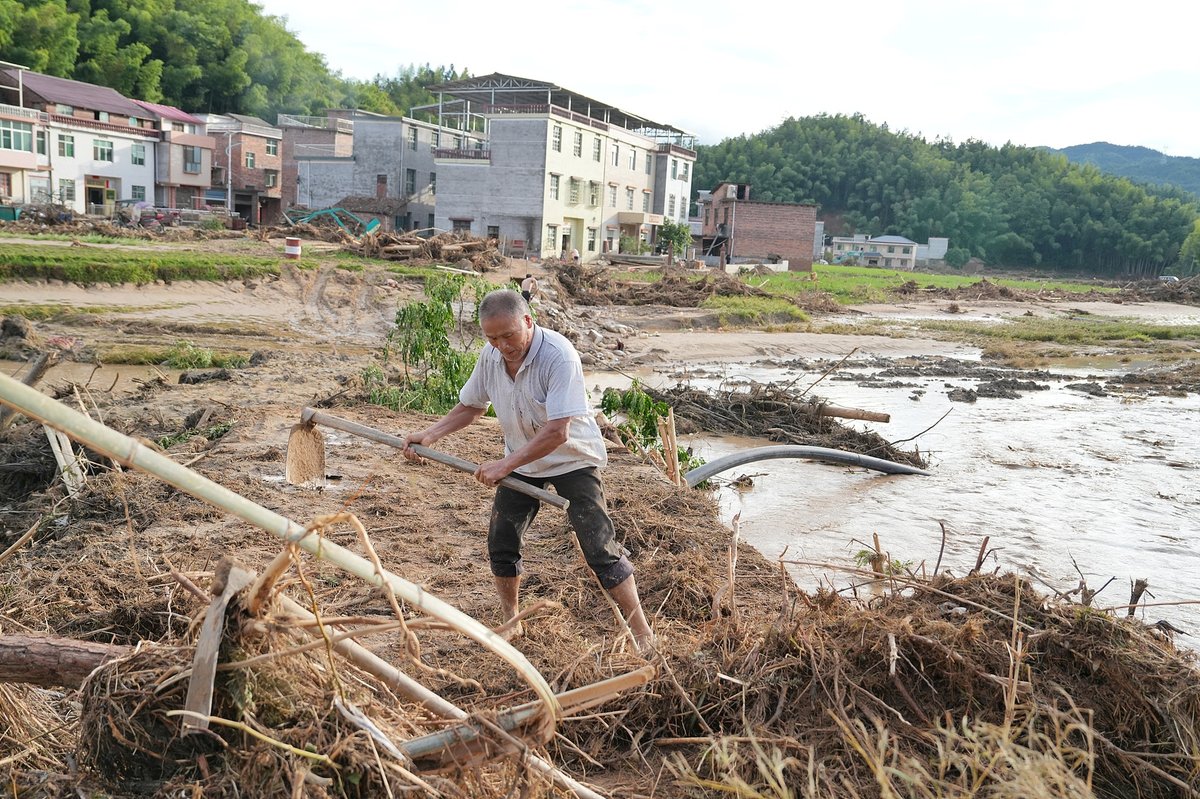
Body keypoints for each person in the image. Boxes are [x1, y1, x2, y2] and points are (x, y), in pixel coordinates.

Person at [401, 289, 655, 652]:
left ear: (528, 322)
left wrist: (505, 465)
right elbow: (471, 406)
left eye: (509, 335)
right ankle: (510, 621)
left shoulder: (558, 355)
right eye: (492, 338)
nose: (503, 345)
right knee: (502, 543)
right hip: (522, 459)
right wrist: (430, 434)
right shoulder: (490, 358)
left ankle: (642, 632)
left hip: (572, 460)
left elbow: (557, 432)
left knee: (600, 548)